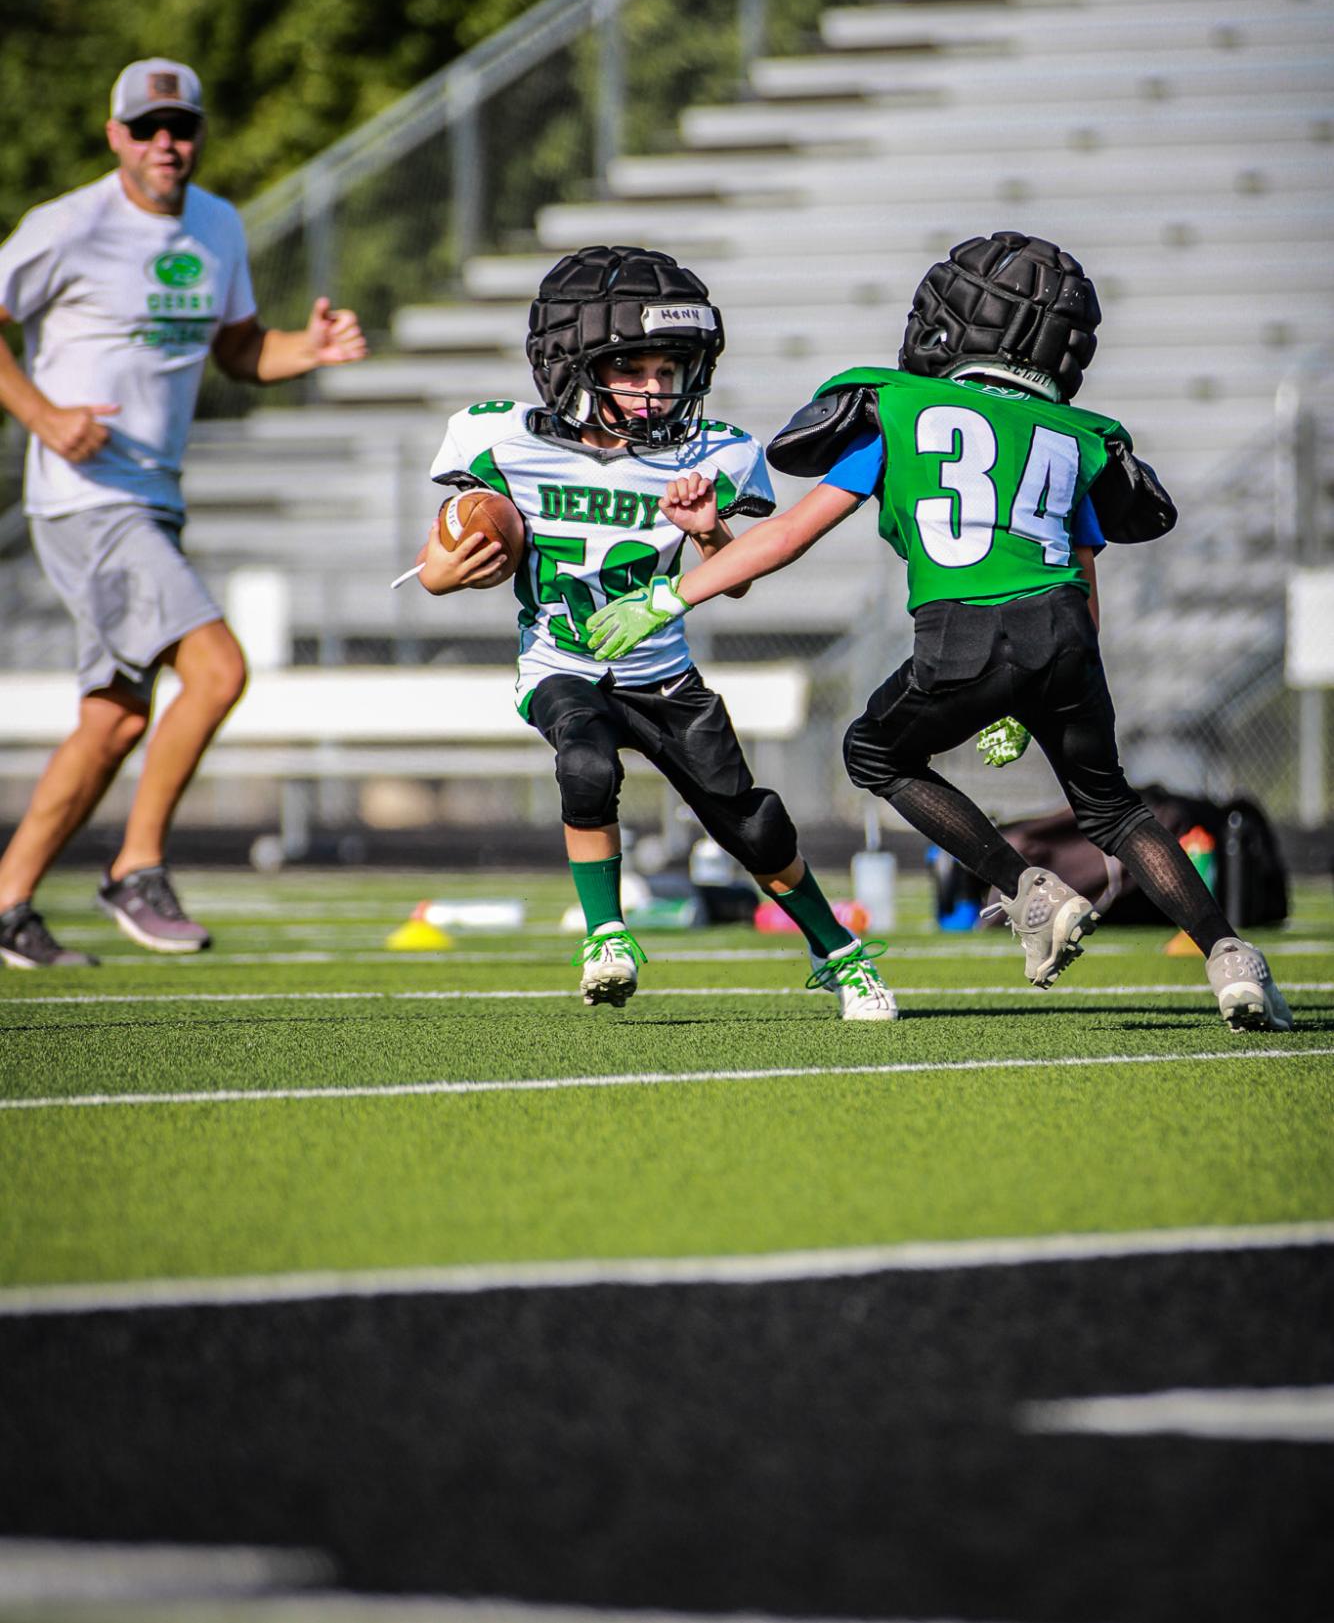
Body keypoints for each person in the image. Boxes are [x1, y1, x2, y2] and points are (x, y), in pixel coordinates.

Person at [587, 230, 1293, 1034]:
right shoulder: (1075, 436)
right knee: (1114, 808)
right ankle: (1231, 956)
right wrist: (1045, 687)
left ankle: (1027, 890)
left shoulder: (897, 405)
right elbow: (1083, 581)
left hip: (962, 631)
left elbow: (786, 537)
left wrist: (668, 596)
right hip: (1064, 636)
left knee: (873, 751)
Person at [414, 242, 897, 1019]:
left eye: (668, 372)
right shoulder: (502, 442)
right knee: (585, 763)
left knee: (755, 825)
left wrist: (707, 532)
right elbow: (432, 568)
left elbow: (733, 583)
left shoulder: (713, 455)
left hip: (663, 672)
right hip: (560, 662)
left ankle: (837, 949)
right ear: (570, 363)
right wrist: (455, 563)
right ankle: (607, 933)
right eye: (633, 369)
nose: (654, 390)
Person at [0, 57, 367, 968]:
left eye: (184, 126)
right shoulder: (70, 224)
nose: (169, 143)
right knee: (216, 669)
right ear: (116, 135)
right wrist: (44, 415)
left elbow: (241, 350)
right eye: (149, 127)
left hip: (153, 501)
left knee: (118, 717)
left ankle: (8, 901)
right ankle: (137, 867)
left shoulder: (217, 224)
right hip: (87, 500)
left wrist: (307, 351)